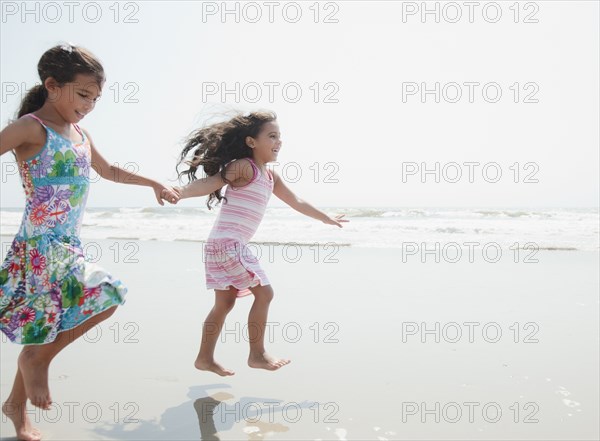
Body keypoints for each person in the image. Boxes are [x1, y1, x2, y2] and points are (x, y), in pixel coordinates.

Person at [0, 44, 179, 441]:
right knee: (109, 293)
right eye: (83, 95)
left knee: (42, 328)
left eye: (96, 98)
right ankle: (38, 362)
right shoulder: (32, 127)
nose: (90, 105)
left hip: (68, 242)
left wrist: (154, 182)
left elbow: (110, 170)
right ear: (52, 86)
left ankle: (16, 406)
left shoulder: (80, 133)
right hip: (41, 244)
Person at [174, 111, 348, 377]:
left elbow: (297, 201)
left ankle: (204, 358)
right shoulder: (245, 166)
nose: (278, 142)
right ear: (252, 142)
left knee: (224, 304)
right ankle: (257, 354)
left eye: (280, 137)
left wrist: (326, 217)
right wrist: (180, 193)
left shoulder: (271, 177)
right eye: (272, 136)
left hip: (220, 245)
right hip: (229, 244)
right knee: (264, 294)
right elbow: (211, 183)